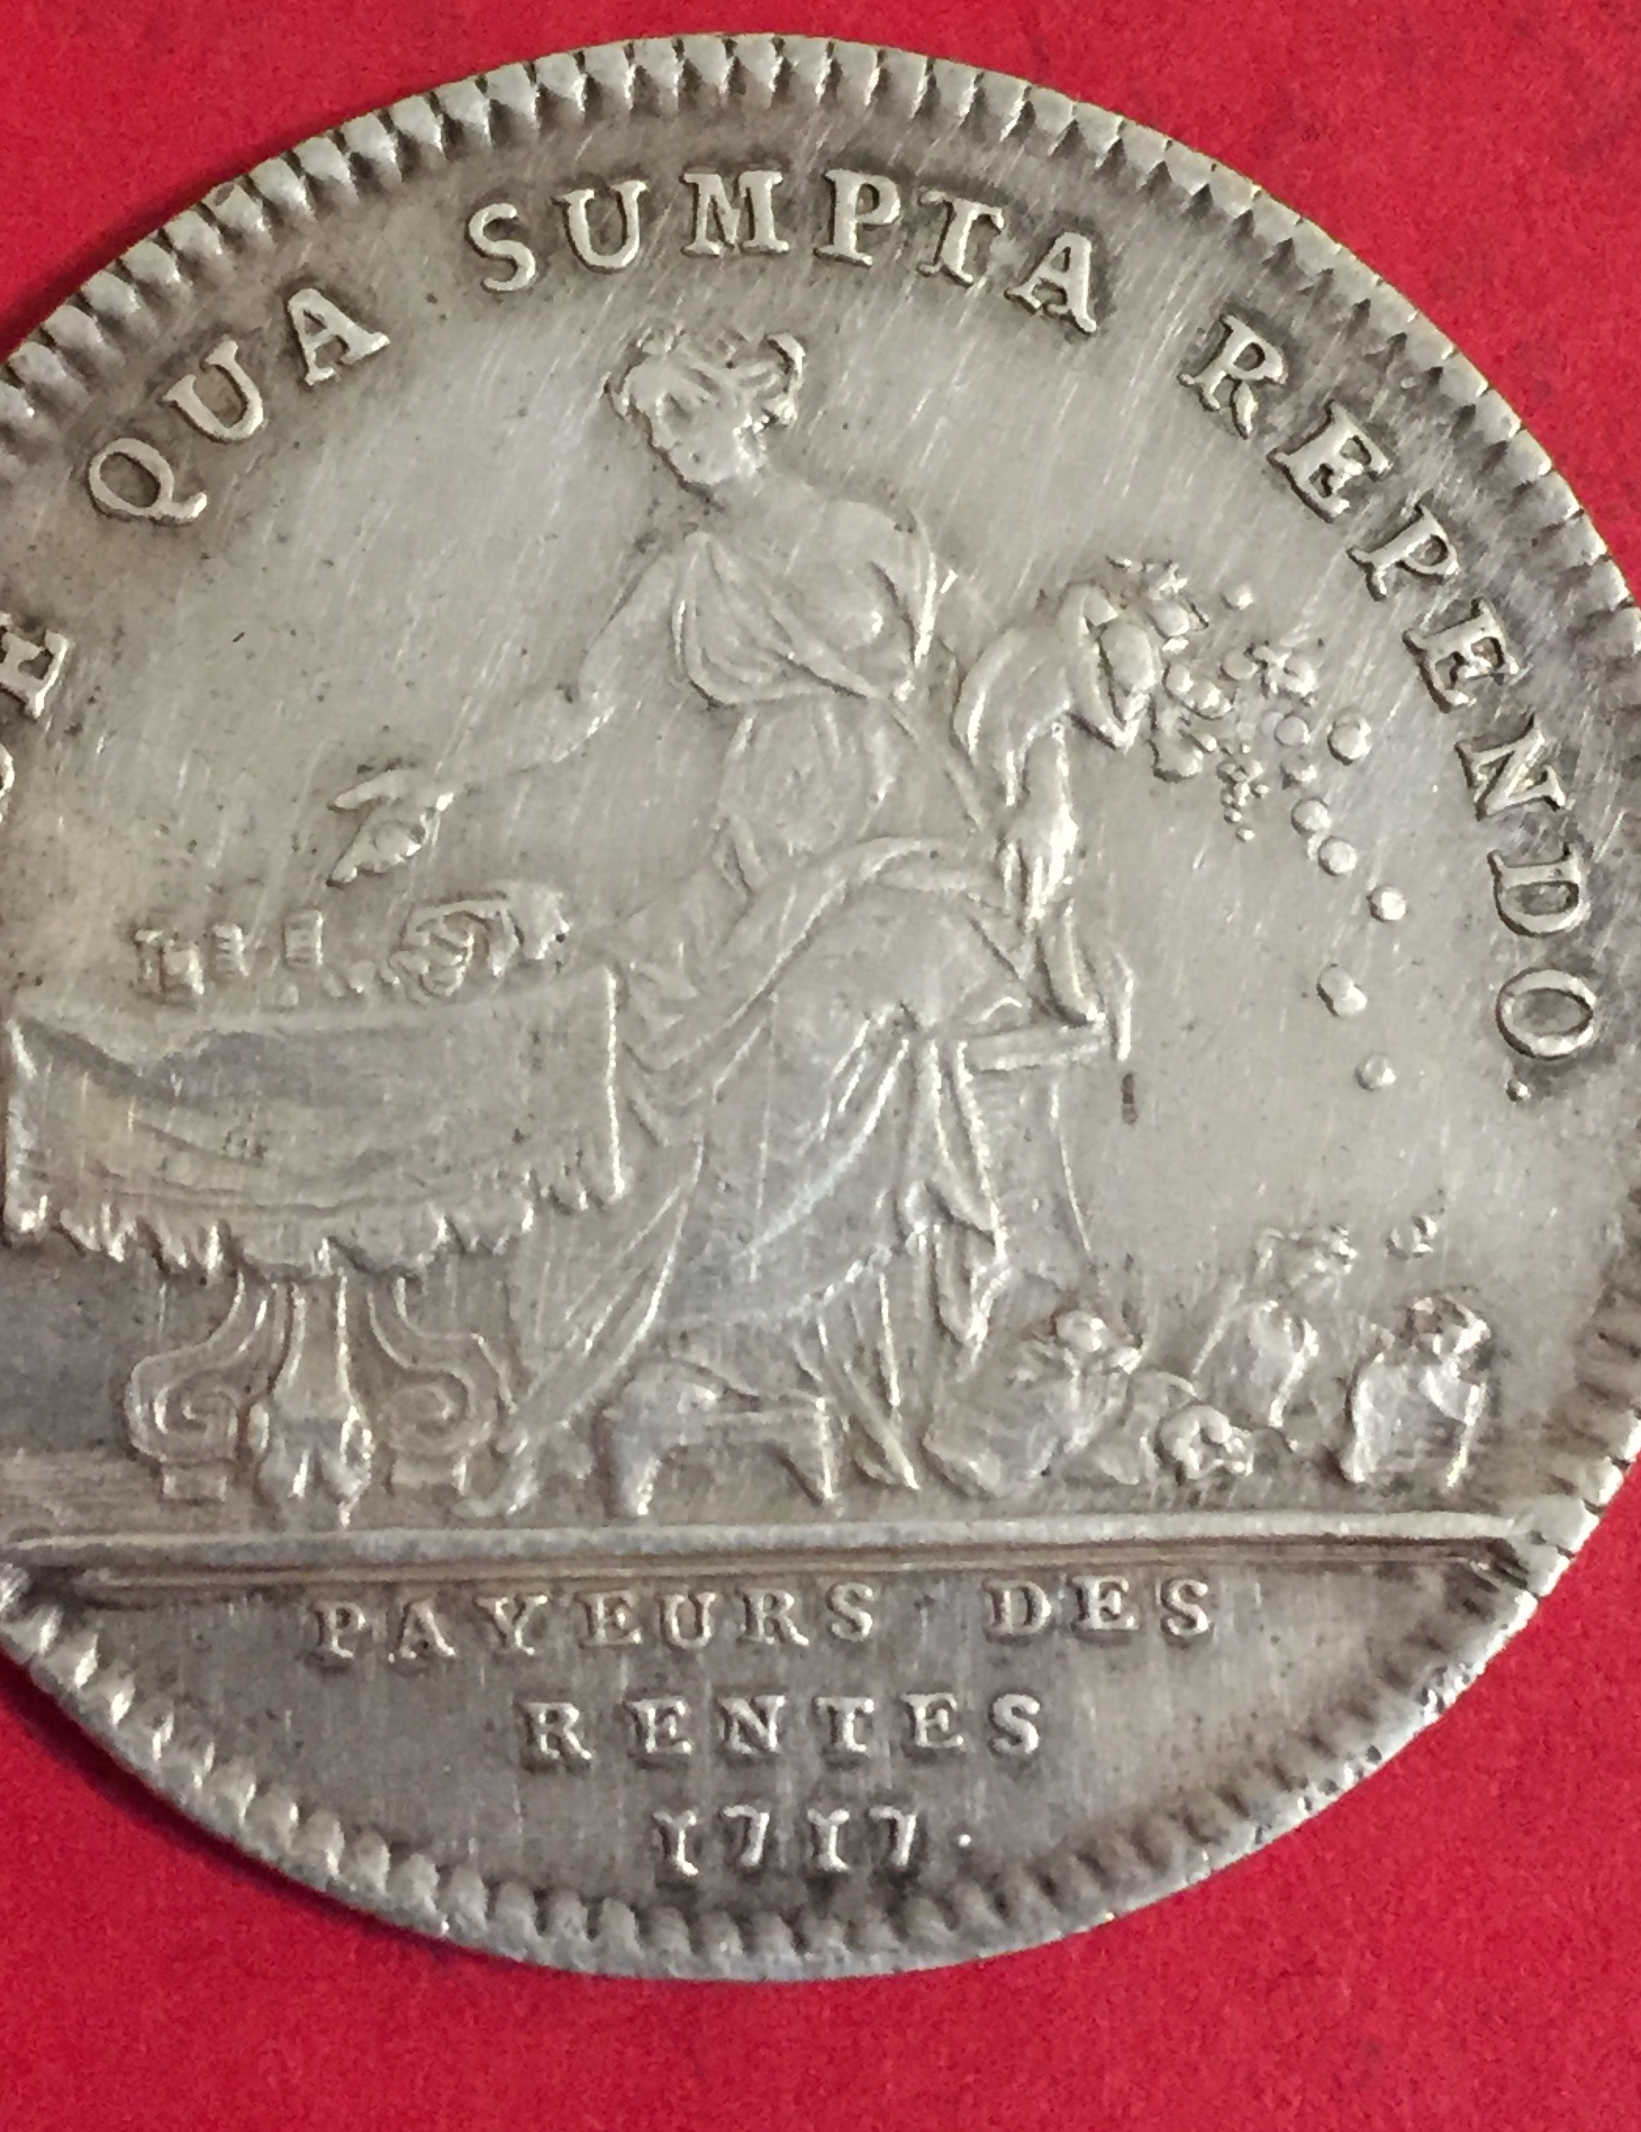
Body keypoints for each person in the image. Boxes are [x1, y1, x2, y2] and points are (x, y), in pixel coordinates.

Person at [329, 324, 1151, 1512]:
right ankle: (611, 1371)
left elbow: (1005, 675)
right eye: (652, 427)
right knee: (604, 1029)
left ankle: (714, 1355)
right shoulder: (690, 571)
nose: (670, 445)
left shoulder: (867, 541)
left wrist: (1047, 805)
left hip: (910, 856)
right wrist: (441, 783)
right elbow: (578, 704)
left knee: (815, 1028)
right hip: (754, 868)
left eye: (684, 411)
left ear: (753, 403)